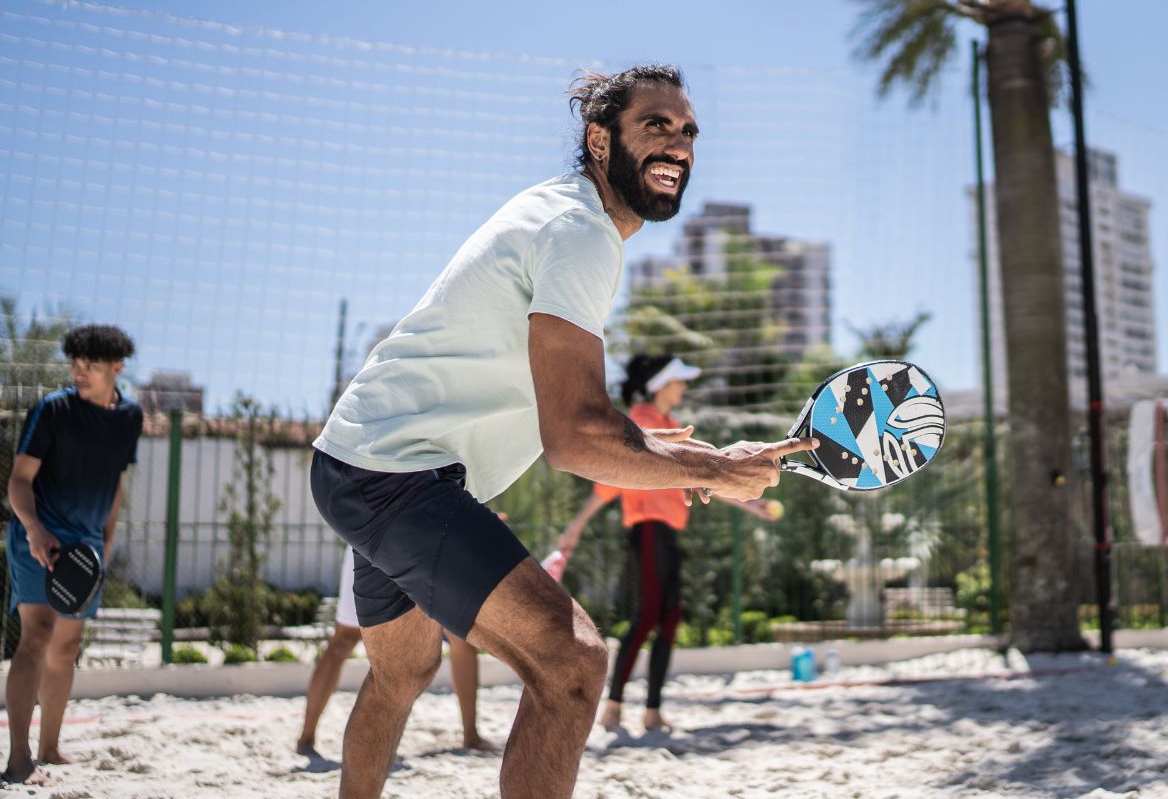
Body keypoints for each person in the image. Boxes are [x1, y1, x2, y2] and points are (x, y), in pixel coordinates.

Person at [307, 64, 815, 799]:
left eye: (688, 131)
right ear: (599, 139)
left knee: (402, 670)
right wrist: (713, 473)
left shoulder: (561, 210)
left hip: (362, 459)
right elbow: (576, 437)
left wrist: (685, 454)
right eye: (656, 126)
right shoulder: (580, 231)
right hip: (397, 476)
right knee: (573, 664)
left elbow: (567, 414)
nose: (678, 145)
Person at [557, 353, 778, 734]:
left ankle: (652, 711)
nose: (685, 387)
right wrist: (574, 529)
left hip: (667, 532)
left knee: (670, 617)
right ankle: (613, 707)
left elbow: (701, 475)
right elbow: (607, 483)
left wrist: (750, 503)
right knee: (647, 617)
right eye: (679, 380)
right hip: (646, 530)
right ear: (660, 384)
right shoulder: (641, 422)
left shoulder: (672, 426)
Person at [5, 324, 142, 785]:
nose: (79, 373)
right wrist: (34, 529)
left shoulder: (130, 417)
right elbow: (19, 480)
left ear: (117, 367)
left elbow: (116, 481)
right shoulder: (53, 410)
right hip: (39, 536)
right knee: (37, 635)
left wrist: (106, 539)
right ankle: (19, 758)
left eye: (91, 365)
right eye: (75, 364)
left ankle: (50, 747)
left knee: (67, 647)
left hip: (85, 546)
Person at [296, 547, 498, 759]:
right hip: (379, 537)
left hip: (428, 541)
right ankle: (306, 737)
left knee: (461, 634)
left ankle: (471, 735)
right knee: (344, 640)